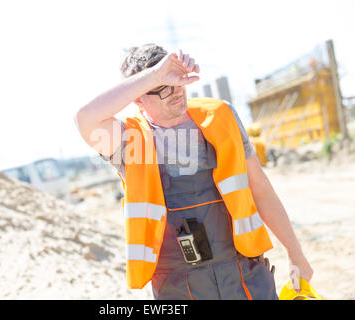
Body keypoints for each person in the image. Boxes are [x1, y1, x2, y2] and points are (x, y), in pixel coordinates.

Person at [74, 43, 313, 300]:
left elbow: (261, 189)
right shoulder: (129, 141)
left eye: (177, 80)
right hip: (179, 288)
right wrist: (155, 75)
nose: (176, 91)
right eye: (162, 87)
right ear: (138, 97)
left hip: (244, 276)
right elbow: (85, 118)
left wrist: (294, 252)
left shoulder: (221, 117)